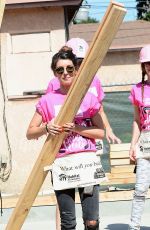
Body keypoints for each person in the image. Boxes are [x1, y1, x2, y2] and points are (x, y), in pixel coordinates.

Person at [46, 38, 121, 230]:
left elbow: (100, 109)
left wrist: (109, 129)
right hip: (64, 155)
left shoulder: (94, 81)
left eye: (80, 61)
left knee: (91, 210)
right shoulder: (54, 85)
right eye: (75, 60)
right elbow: (49, 111)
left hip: (88, 151)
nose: (76, 66)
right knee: (66, 206)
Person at [26, 48, 105, 230]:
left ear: (76, 70)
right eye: (60, 70)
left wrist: (77, 128)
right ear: (55, 73)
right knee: (68, 223)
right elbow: (30, 132)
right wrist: (46, 127)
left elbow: (101, 132)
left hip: (87, 164)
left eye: (70, 68)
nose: (66, 73)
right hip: (63, 165)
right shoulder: (47, 100)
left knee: (92, 222)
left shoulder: (89, 98)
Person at [128, 44, 150, 230]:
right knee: (140, 189)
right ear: (143, 67)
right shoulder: (137, 90)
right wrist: (132, 145)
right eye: (146, 63)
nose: (149, 66)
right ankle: (134, 226)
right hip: (145, 144)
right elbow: (136, 120)